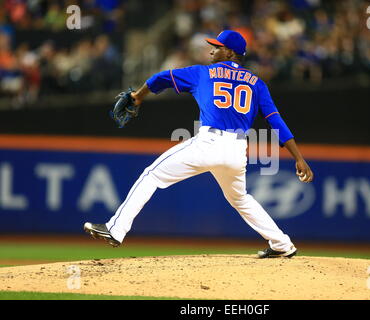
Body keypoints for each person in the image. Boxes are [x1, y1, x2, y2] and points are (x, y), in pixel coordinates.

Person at [84, 30, 314, 258]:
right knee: (240, 198)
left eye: (217, 46)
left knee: (151, 175)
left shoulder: (203, 73)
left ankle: (115, 229)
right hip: (236, 151)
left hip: (208, 143)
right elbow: (276, 121)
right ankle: (282, 244)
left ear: (231, 52)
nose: (212, 49)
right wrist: (298, 157)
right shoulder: (257, 84)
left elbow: (160, 78)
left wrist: (139, 95)